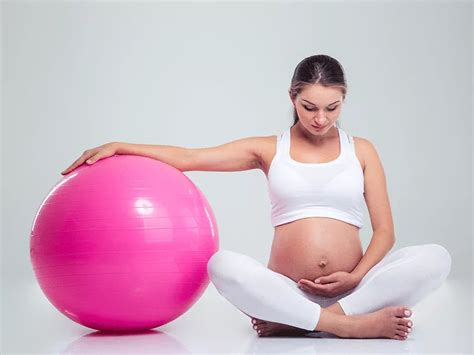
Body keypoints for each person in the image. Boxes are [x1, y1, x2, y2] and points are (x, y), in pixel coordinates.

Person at [61, 54, 452, 341]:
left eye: (332, 108)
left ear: (344, 99)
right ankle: (347, 326)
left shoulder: (362, 150)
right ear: (291, 97)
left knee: (436, 258)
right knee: (222, 266)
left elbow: (385, 232)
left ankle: (310, 320)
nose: (320, 119)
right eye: (309, 107)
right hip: (287, 290)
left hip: (355, 287)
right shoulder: (269, 149)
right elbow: (191, 158)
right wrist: (119, 145)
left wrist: (355, 276)